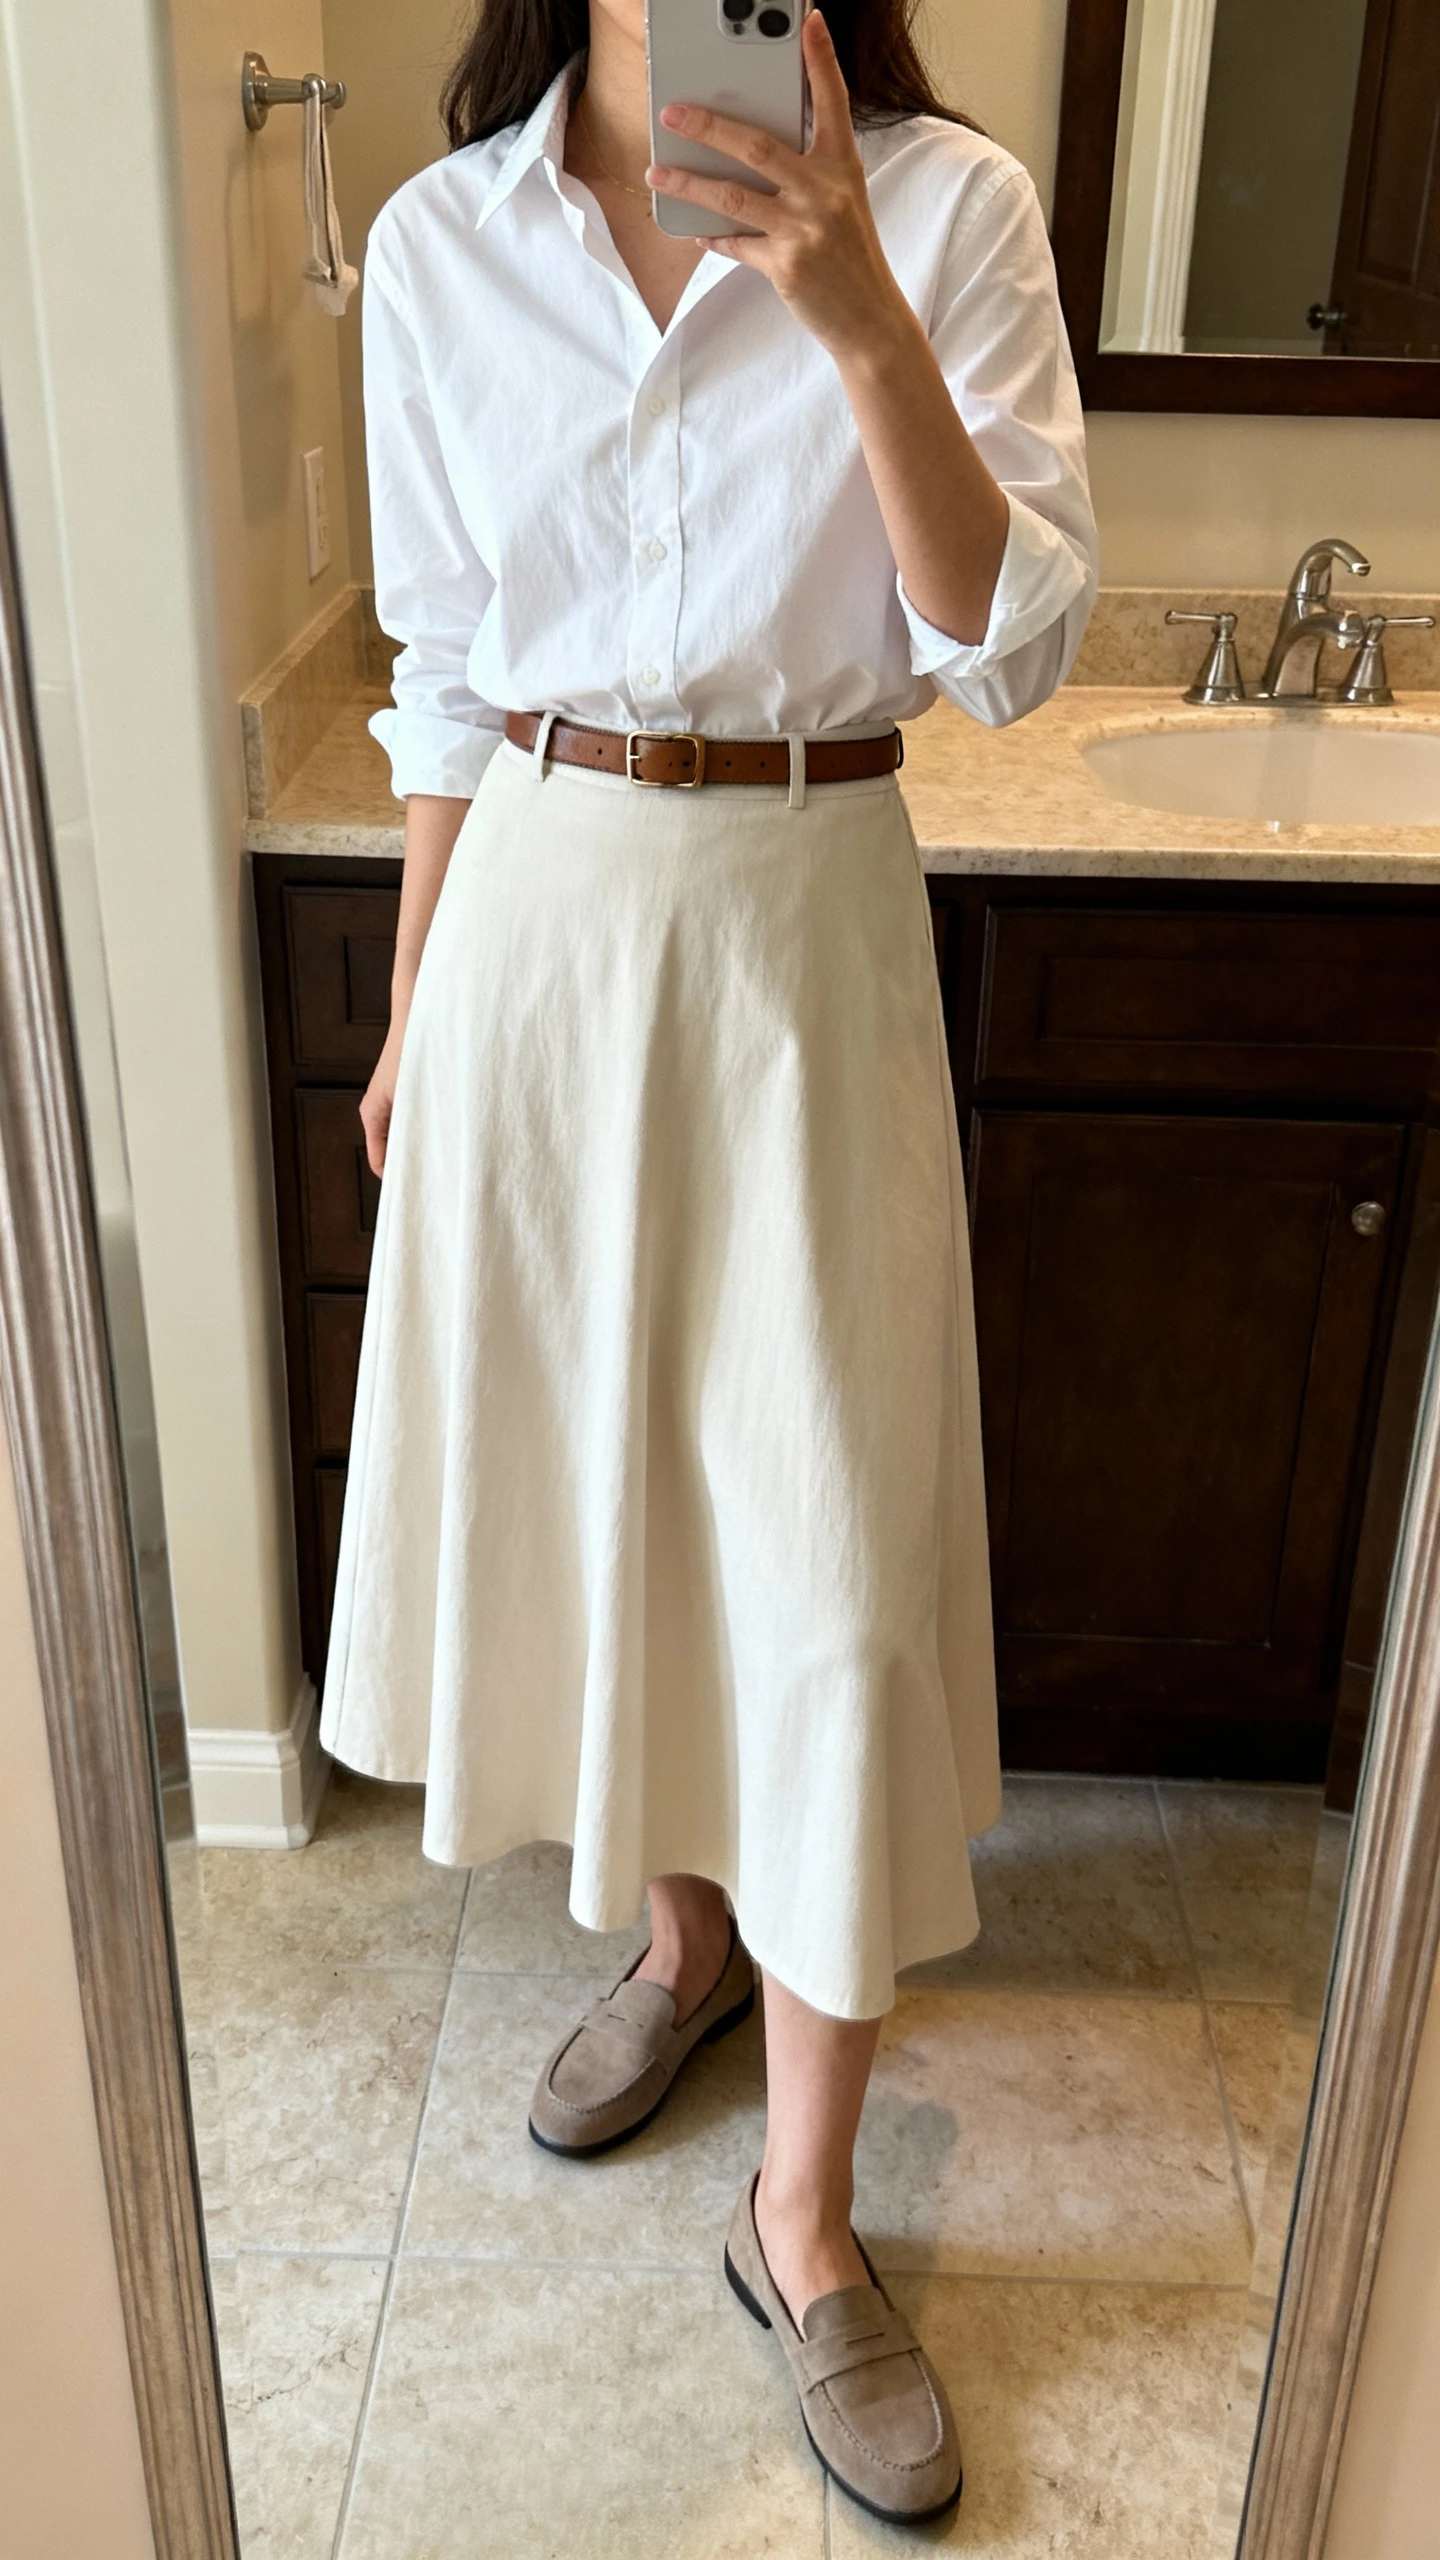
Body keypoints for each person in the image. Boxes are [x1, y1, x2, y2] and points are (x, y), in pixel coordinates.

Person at [319, 0, 1096, 2522]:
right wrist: (420, 1005)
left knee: (833, 1563)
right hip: (540, 915)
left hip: (800, 923)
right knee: (610, 1505)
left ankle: (805, 2213)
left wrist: (858, 304)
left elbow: (1011, 637)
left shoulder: (953, 211)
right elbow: (442, 669)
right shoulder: (445, 241)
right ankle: (680, 1948)